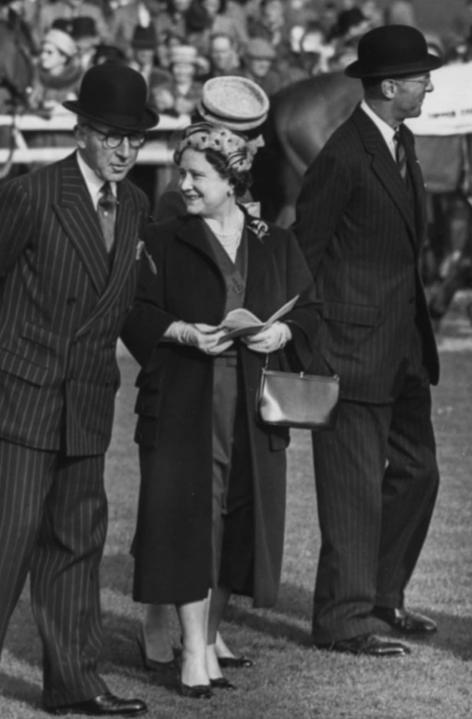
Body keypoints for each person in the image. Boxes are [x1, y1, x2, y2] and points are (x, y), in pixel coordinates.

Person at [0, 62, 159, 719]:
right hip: (18, 398)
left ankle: (75, 683)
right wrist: (2, 356)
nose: (124, 149)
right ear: (82, 132)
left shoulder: (139, 205)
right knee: (2, 543)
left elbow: (121, 302)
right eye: (112, 136)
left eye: (134, 138)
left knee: (76, 547)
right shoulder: (33, 194)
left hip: (87, 401)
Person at [121, 110, 321, 697]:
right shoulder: (161, 240)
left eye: (197, 176)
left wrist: (280, 335)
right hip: (185, 402)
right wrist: (181, 331)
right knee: (188, 522)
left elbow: (311, 310)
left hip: (254, 409)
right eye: (182, 172)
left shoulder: (276, 244)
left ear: (231, 181)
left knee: (238, 525)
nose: (182, 185)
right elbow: (134, 311)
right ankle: (189, 657)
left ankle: (207, 641)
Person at [293, 24, 442, 657]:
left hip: (403, 348)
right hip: (351, 354)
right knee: (352, 492)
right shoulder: (344, 155)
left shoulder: (400, 143)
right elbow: (305, 253)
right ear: (388, 87)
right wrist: (316, 345)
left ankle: (381, 595)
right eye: (419, 78)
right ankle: (343, 620)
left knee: (419, 472)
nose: (428, 85)